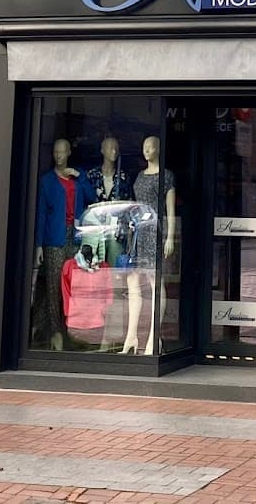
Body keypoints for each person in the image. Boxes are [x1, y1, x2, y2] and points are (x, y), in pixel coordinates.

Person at [34, 138, 93, 351]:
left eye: (62, 151)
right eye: (55, 152)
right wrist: (38, 245)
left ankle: (65, 329)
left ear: (69, 153)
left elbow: (91, 197)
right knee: (53, 287)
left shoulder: (77, 177)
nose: (58, 156)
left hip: (75, 236)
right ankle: (55, 332)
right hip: (54, 237)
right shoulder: (47, 181)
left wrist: (80, 177)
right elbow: (41, 214)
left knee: (73, 285)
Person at [121, 135, 176, 356]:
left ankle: (154, 337)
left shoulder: (166, 176)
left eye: (151, 147)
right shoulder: (139, 176)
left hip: (155, 232)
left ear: (159, 150)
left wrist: (170, 237)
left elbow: (170, 210)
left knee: (155, 283)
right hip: (138, 232)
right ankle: (131, 337)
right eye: (144, 147)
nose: (147, 150)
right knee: (133, 282)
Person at [85, 136, 130, 264]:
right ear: (102, 150)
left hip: (117, 231)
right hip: (95, 229)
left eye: (116, 148)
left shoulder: (123, 177)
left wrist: (129, 233)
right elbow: (85, 202)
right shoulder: (92, 175)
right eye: (110, 148)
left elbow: (128, 205)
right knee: (94, 267)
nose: (114, 151)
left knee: (114, 267)